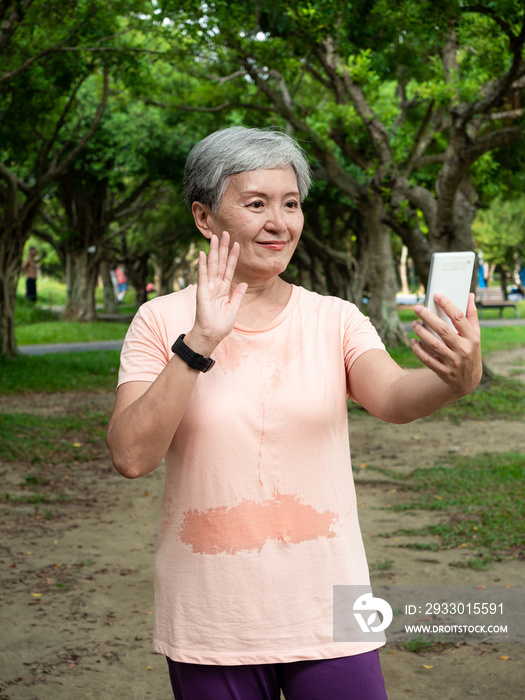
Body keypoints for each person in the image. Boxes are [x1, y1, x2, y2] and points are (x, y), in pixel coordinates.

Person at [106, 127, 482, 700]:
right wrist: (201, 339)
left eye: (291, 203)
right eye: (255, 204)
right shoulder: (161, 321)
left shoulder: (334, 318)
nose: (279, 222)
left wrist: (453, 381)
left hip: (335, 605)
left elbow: (395, 397)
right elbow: (132, 455)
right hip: (213, 611)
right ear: (206, 218)